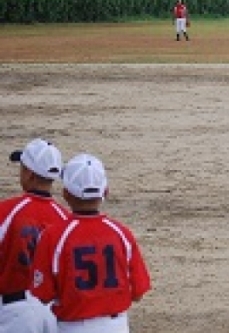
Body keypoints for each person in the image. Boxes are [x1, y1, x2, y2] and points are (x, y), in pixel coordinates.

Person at [31, 153, 151, 333]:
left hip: (73, 327)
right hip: (116, 326)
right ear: (105, 192)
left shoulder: (54, 235)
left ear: (66, 193)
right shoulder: (121, 233)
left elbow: (43, 294)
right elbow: (138, 292)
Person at [1, 138, 67, 333]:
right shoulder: (65, 218)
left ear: (29, 174)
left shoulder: (7, 211)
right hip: (54, 312)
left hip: (15, 313)